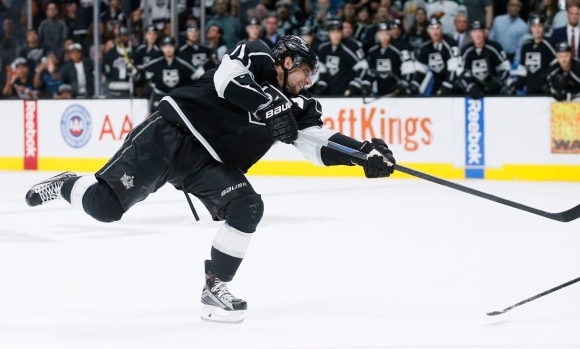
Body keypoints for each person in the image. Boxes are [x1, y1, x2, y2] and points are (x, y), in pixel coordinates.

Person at [24, 35, 396, 324]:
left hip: (208, 165)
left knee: (248, 206)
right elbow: (226, 80)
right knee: (104, 208)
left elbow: (316, 141)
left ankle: (215, 286)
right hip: (170, 135)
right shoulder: (257, 55)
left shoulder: (302, 106)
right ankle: (68, 183)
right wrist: (267, 106)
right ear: (287, 61)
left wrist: (362, 155)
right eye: (305, 72)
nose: (308, 81)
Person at [138, 37, 200, 111]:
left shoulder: (183, 62)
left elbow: (196, 75)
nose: (168, 49)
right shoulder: (156, 61)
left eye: (170, 46)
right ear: (162, 48)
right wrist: (135, 72)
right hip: (159, 95)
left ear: (174, 47)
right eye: (165, 46)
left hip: (177, 96)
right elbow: (143, 72)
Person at [315, 19, 369, 96]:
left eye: (338, 32)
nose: (336, 35)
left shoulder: (351, 46)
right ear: (329, 33)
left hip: (347, 92)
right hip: (329, 92)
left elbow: (363, 67)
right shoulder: (323, 48)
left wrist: (355, 84)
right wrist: (321, 84)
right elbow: (321, 69)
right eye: (333, 32)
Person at [460, 21, 512, 99]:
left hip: (495, 92)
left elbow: (505, 68)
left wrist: (496, 83)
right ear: (471, 34)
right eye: (474, 32)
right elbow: (461, 72)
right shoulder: (466, 51)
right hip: (474, 93)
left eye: (479, 31)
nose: (477, 35)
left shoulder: (495, 47)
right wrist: (471, 87)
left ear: (484, 33)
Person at [364, 22, 415, 96]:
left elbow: (408, 68)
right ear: (377, 35)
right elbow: (370, 70)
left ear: (390, 34)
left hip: (396, 90)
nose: (384, 37)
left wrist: (404, 83)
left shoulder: (400, 49)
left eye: (386, 34)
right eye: (381, 34)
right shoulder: (373, 51)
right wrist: (367, 83)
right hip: (378, 90)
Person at [413, 17, 461, 96]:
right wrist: (414, 84)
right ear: (428, 31)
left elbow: (454, 68)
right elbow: (421, 70)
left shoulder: (450, 43)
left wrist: (447, 85)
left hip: (453, 84)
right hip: (437, 83)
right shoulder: (425, 47)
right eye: (432, 29)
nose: (435, 31)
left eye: (437, 28)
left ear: (441, 29)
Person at [515, 14, 557, 95]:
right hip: (530, 89)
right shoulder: (526, 45)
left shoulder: (550, 44)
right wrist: (519, 83)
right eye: (534, 26)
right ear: (530, 28)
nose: (537, 30)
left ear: (544, 27)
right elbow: (522, 67)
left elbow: (556, 65)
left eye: (540, 26)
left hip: (546, 90)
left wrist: (550, 83)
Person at [104, 27, 135, 98]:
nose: (122, 38)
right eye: (120, 36)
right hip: (113, 90)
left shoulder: (134, 52)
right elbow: (106, 71)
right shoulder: (111, 53)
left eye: (125, 36)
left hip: (129, 90)